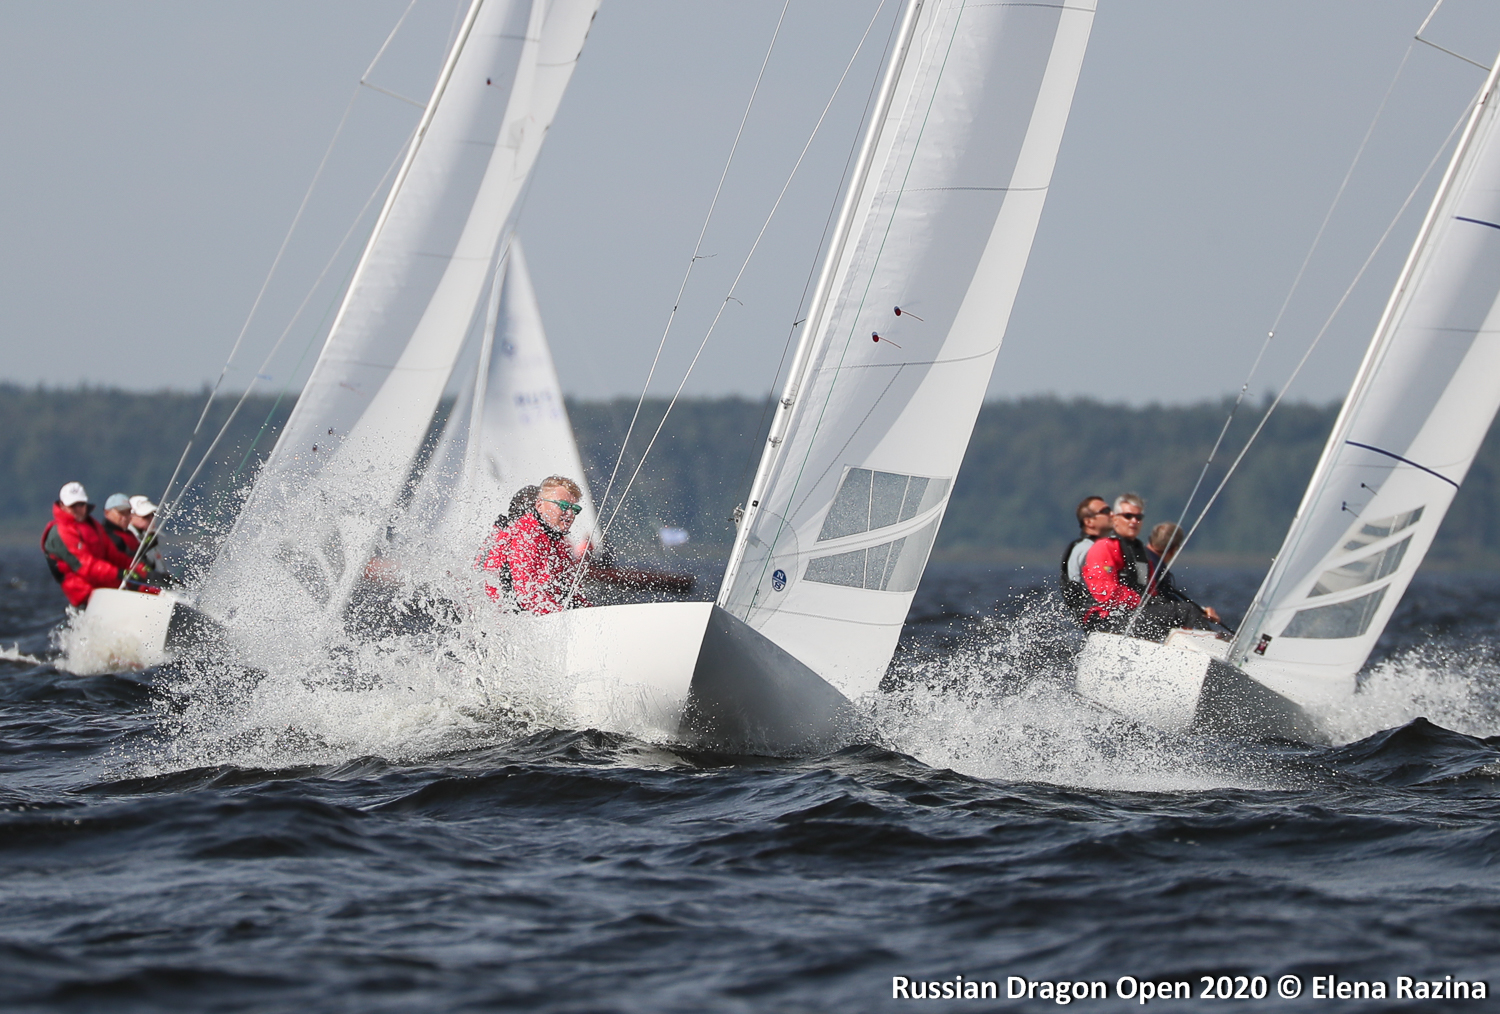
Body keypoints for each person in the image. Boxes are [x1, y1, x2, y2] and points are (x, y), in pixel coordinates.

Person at [1081, 494, 1215, 639]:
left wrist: (1200, 611)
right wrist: (1141, 601)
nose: (1134, 521)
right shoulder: (1104, 548)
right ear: (1114, 518)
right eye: (1128, 516)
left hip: (1135, 615)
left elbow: (1151, 592)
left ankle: (1200, 645)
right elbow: (1104, 591)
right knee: (1186, 611)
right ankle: (1210, 643)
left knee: (1185, 612)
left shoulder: (1141, 554)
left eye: (1138, 517)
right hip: (1108, 619)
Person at [479, 476, 591, 614]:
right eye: (563, 506)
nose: (570, 514)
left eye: (575, 509)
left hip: (528, 612)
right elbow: (527, 595)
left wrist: (589, 612)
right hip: (501, 615)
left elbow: (570, 589)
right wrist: (563, 616)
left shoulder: (557, 539)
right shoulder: (526, 534)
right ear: (539, 506)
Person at [41, 482, 152, 608]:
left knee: (148, 589)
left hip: (103, 590)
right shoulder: (60, 531)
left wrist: (141, 569)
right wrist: (120, 573)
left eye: (81, 504)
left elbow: (113, 555)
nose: (78, 509)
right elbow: (85, 567)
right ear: (62, 505)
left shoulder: (92, 525)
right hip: (86, 596)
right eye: (73, 506)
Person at [1146, 522, 1220, 625]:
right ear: (1174, 549)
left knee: (1188, 610)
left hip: (1136, 611)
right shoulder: (1156, 567)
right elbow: (1166, 600)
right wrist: (1199, 612)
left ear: (1151, 539)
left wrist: (1200, 611)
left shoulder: (1137, 555)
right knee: (1189, 611)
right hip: (1145, 614)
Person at [1059, 496, 1112, 611]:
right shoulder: (1084, 549)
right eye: (1105, 511)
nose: (1112, 514)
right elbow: (1073, 587)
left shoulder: (1107, 547)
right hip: (1094, 612)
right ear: (1089, 522)